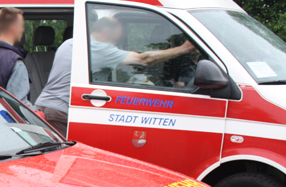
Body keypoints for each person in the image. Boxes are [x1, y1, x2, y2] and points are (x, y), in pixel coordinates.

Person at [35, 17, 196, 134]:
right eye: (116, 39)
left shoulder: (70, 42)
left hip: (45, 107)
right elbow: (144, 59)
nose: (116, 44)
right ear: (105, 32)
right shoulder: (97, 48)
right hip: (61, 112)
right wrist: (183, 49)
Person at [34, 38, 74, 134]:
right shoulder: (94, 48)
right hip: (59, 110)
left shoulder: (67, 44)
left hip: (42, 104)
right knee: (62, 148)